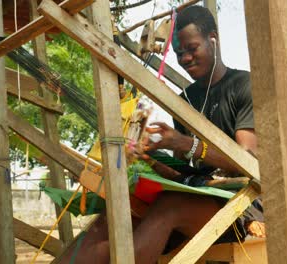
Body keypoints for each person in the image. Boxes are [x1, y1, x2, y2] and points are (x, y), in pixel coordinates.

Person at [61, 5, 262, 264]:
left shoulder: (243, 86)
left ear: (213, 39)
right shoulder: (185, 100)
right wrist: (151, 157)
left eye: (192, 48)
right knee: (113, 216)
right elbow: (184, 175)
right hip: (201, 197)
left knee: (169, 206)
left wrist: (186, 143)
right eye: (179, 53)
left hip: (243, 206)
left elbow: (249, 162)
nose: (186, 58)